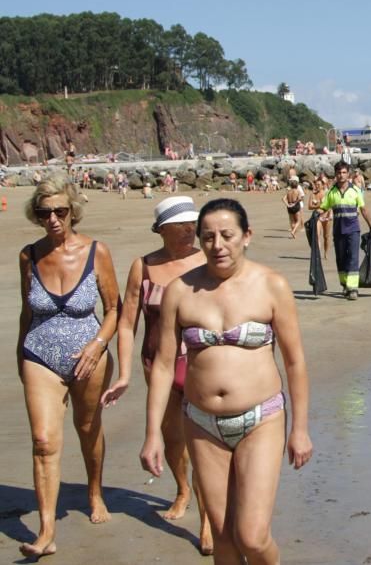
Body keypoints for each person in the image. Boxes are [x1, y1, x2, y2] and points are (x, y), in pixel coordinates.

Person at [141, 199, 312, 564]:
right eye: (208, 237)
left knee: (251, 537)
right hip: (201, 423)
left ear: (246, 236)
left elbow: (295, 362)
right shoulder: (180, 291)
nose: (217, 245)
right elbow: (163, 366)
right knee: (223, 538)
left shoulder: (272, 286)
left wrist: (300, 430)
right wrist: (153, 432)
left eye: (227, 235)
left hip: (261, 419)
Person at [100, 196, 212, 554]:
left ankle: (208, 519)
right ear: (162, 229)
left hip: (199, 362)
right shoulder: (143, 266)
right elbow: (128, 321)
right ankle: (182, 490)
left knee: (203, 440)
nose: (190, 231)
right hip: (157, 365)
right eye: (181, 225)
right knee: (173, 436)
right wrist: (124, 373)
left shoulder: (207, 260)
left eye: (193, 224)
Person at [17, 175, 120, 557]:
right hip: (39, 354)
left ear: (72, 210)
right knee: (43, 441)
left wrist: (97, 346)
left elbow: (113, 309)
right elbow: (27, 312)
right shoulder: (29, 255)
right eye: (45, 213)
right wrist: (20, 356)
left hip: (88, 354)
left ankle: (94, 491)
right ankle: (46, 532)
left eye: (60, 211)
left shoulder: (97, 252)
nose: (53, 220)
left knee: (88, 426)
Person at [320, 161, 371, 300]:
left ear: (348, 174)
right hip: (338, 231)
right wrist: (316, 215)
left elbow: (363, 209)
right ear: (335, 174)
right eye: (339, 173)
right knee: (341, 259)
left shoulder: (355, 190)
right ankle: (344, 284)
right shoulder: (331, 192)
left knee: (353, 258)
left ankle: (352, 288)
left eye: (344, 173)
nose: (341, 175)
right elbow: (324, 208)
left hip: (353, 230)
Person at [307, 174, 332, 259]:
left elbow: (330, 206)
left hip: (327, 217)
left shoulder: (327, 193)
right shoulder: (312, 194)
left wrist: (330, 214)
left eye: (319, 185)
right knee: (317, 235)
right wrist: (319, 206)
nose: (317, 186)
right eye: (316, 184)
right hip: (317, 216)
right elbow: (309, 206)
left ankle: (326, 253)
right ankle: (318, 254)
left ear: (322, 185)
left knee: (326, 236)